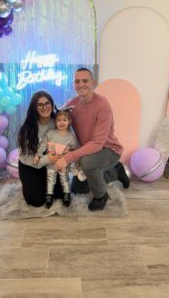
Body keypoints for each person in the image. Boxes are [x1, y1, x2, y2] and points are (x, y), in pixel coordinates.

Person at [55, 68, 130, 211]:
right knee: (78, 189)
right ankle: (114, 171)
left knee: (87, 163)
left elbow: (97, 144)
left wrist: (69, 157)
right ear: (73, 84)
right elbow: (58, 116)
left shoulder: (102, 106)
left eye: (85, 81)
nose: (81, 84)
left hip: (108, 149)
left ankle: (101, 196)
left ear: (93, 83)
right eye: (77, 81)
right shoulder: (73, 103)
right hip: (89, 150)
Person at [18, 91, 63, 207]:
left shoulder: (59, 122)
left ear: (52, 105)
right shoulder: (28, 128)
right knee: (36, 201)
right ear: (35, 107)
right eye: (40, 104)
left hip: (51, 165)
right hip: (30, 165)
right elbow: (25, 157)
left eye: (48, 103)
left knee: (60, 195)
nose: (45, 107)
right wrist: (47, 159)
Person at [34, 109, 78, 208]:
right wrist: (38, 154)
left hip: (63, 163)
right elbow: (43, 144)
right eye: (59, 120)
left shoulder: (71, 137)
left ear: (69, 121)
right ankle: (49, 196)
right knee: (50, 179)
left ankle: (67, 195)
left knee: (65, 179)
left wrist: (70, 154)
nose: (61, 122)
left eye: (64, 120)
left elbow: (75, 150)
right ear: (55, 122)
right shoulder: (50, 133)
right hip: (51, 162)